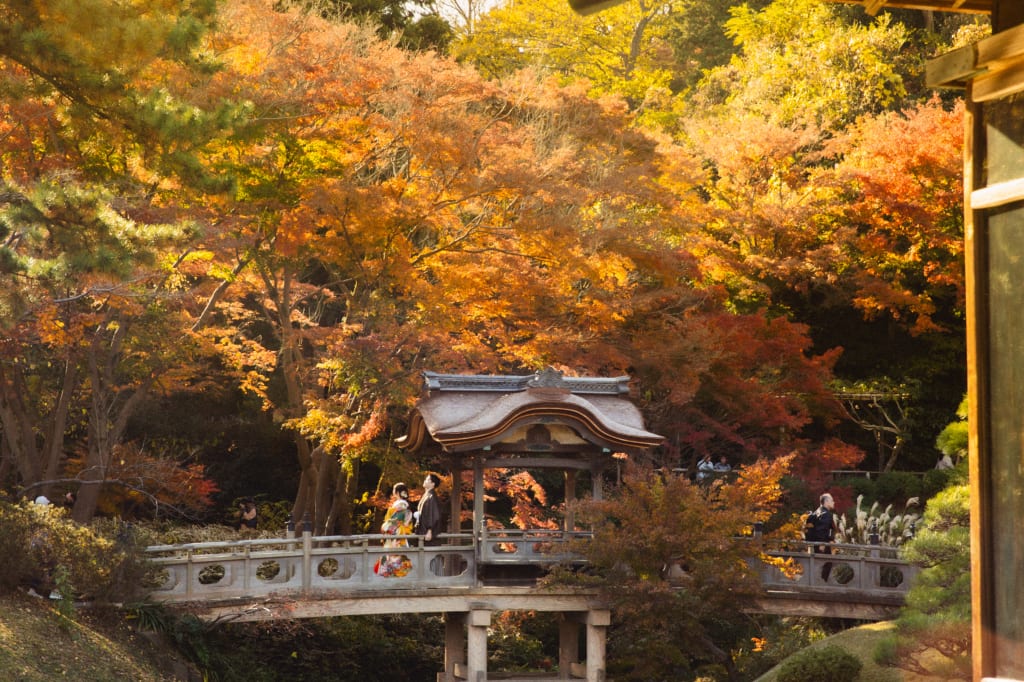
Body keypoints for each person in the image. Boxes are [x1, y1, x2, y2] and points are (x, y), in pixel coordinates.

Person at [375, 483, 414, 577]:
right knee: (400, 560)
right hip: (401, 535)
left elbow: (390, 522)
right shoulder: (406, 507)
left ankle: (392, 579)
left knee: (393, 558)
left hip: (395, 536)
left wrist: (385, 527)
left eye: (394, 490)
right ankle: (400, 578)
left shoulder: (397, 506)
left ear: (397, 492)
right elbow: (407, 524)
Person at [804, 492, 838, 581]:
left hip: (814, 544)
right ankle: (821, 583)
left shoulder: (817, 512)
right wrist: (822, 543)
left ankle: (816, 583)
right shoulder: (826, 514)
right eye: (832, 500)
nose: (833, 502)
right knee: (827, 564)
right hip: (821, 544)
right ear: (826, 501)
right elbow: (822, 530)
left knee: (817, 565)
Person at [414, 473, 444, 547]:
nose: (425, 481)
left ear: (433, 484)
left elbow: (433, 514)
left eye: (427, 479)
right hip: (422, 530)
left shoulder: (432, 497)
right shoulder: (427, 495)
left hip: (427, 532)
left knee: (428, 554)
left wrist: (430, 530)